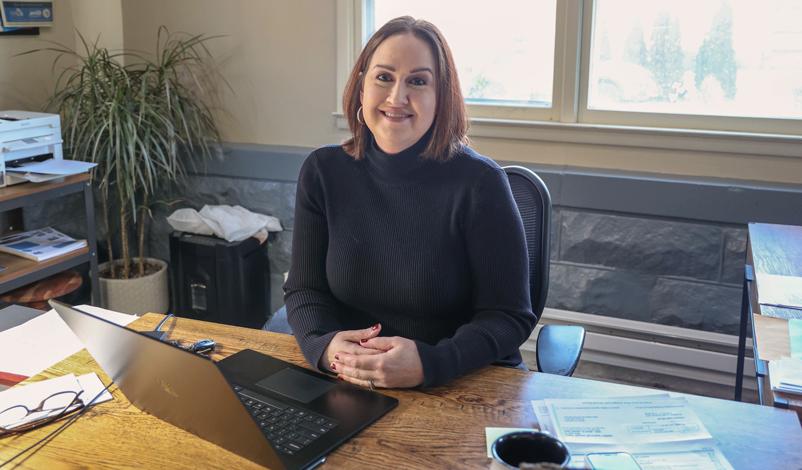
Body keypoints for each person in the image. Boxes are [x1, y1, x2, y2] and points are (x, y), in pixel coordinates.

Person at [283, 16, 535, 389]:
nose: (396, 98)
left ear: (441, 96)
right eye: (383, 77)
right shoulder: (323, 172)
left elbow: (508, 316)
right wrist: (325, 346)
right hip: (351, 380)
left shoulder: (480, 184)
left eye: (418, 81)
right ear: (361, 86)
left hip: (455, 384)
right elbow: (305, 288)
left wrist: (430, 364)